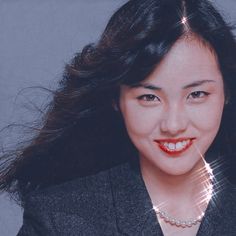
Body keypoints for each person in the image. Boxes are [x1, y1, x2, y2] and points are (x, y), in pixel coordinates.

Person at [0, 0, 236, 235]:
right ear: (116, 99)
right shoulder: (58, 218)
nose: (173, 125)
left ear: (226, 92)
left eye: (196, 94)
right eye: (149, 98)